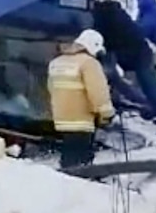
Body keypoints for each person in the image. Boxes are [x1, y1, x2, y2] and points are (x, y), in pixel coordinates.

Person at [92, 0, 156, 135]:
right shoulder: (113, 13)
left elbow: (107, 38)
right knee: (148, 86)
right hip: (138, 52)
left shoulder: (104, 18)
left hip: (138, 55)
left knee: (150, 87)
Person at [47, 29, 115, 170]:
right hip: (81, 118)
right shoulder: (89, 63)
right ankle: (81, 178)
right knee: (82, 154)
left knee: (69, 150)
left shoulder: (55, 63)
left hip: (61, 117)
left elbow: (50, 88)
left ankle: (66, 173)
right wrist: (107, 114)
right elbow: (98, 92)